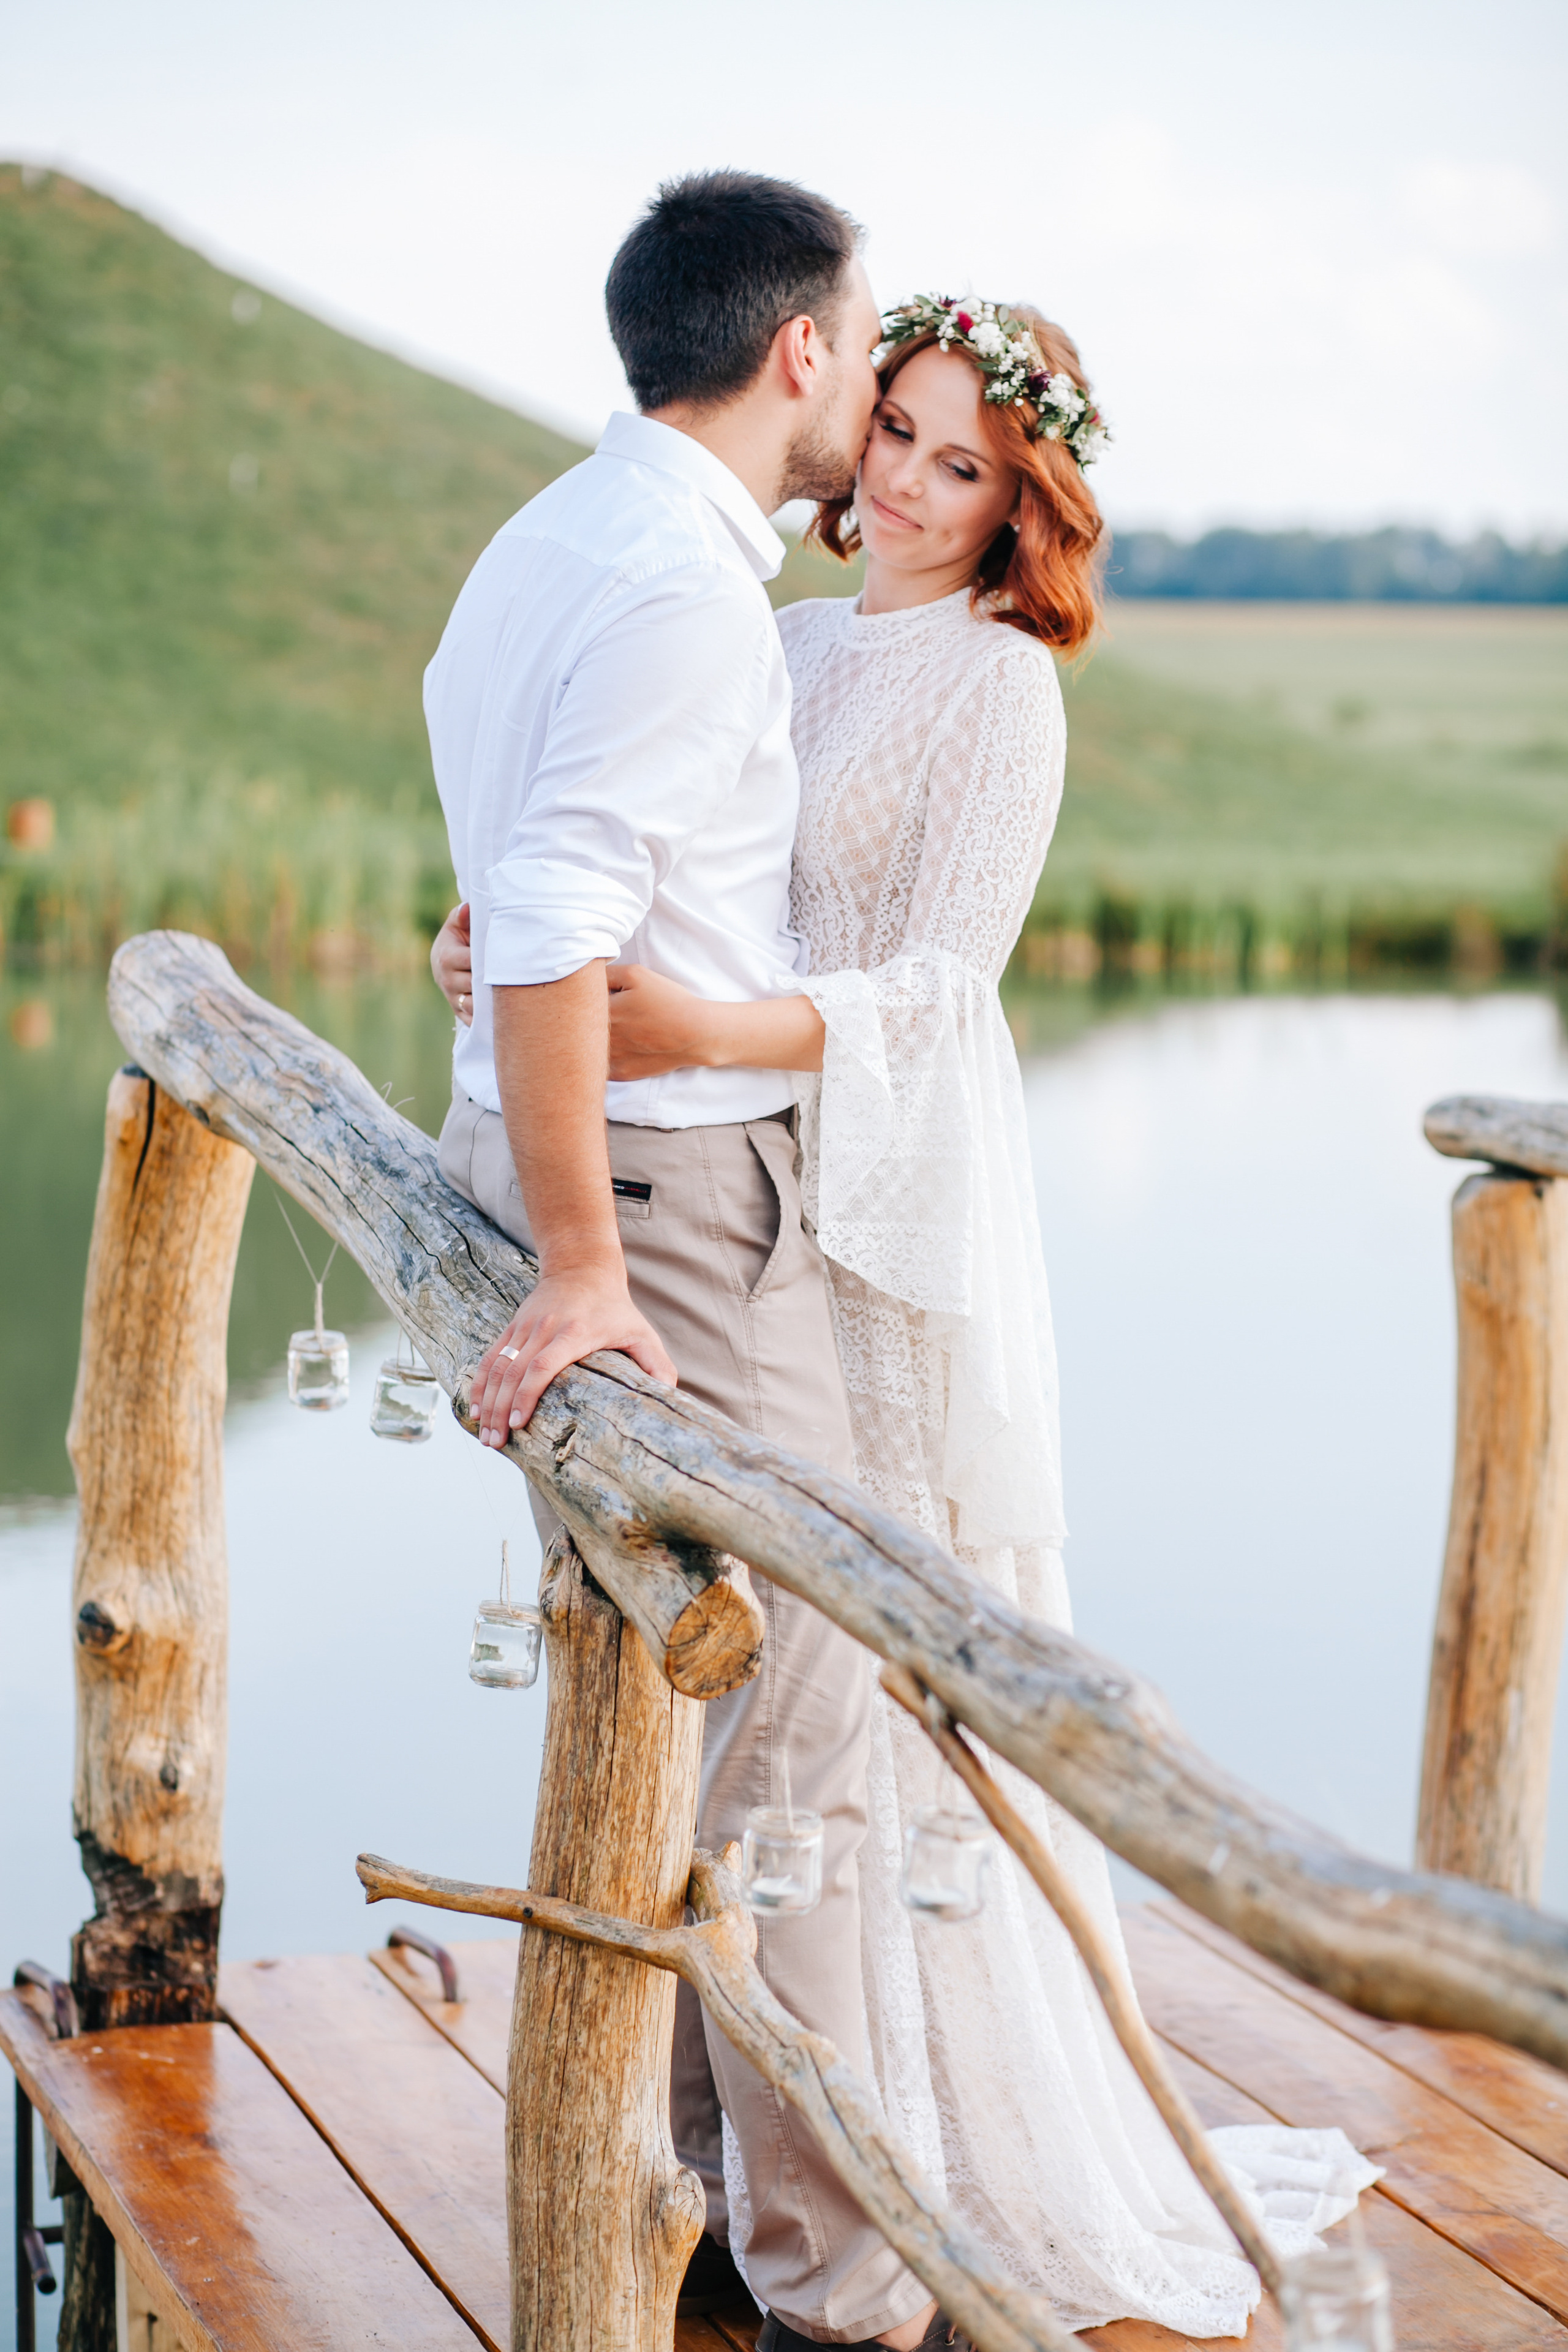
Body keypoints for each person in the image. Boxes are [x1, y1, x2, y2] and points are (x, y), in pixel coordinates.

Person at [554, 295, 1379, 2337]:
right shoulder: (788, 636)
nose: (906, 492)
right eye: (898, 437)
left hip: (890, 1210)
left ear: (1026, 507)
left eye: (961, 466)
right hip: (729, 1181)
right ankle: (718, 2142)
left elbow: (939, 991)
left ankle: (895, 2158)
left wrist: (700, 1024)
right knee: (733, 1669)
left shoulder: (1004, 694)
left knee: (875, 1662)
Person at [424, 174, 957, 2349]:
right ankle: (829, 2285)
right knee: (813, 1710)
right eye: (863, 350)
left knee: (669, 1695)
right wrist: (579, 1262)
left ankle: (681, 2181)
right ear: (805, 353)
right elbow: (551, 905)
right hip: (657, 1203)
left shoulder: (553, 535)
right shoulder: (679, 589)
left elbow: (526, 869)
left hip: (577, 1148)